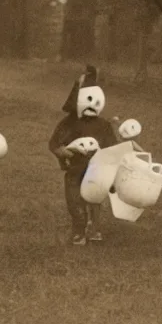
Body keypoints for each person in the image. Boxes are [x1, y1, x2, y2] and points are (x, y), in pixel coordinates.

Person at [48, 65, 120, 246]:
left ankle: (94, 228)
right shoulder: (70, 122)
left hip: (97, 171)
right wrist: (63, 151)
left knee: (95, 199)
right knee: (74, 200)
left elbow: (113, 148)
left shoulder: (103, 125)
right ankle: (79, 229)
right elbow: (54, 143)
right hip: (75, 170)